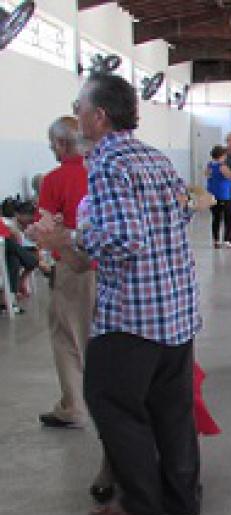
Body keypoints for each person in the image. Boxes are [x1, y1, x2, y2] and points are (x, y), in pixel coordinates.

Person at [30, 73, 207, 515]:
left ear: (99, 115)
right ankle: (182, 496)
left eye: (80, 106)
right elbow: (182, 212)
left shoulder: (108, 162)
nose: (77, 113)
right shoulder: (154, 157)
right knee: (172, 409)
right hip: (175, 308)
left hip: (134, 313)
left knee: (110, 400)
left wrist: (66, 236)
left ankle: (141, 499)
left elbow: (125, 240)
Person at [35, 116, 96, 428]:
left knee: (67, 335)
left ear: (61, 143)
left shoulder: (54, 180)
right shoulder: (100, 172)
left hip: (74, 267)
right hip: (111, 266)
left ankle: (73, 405)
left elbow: (44, 227)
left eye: (52, 145)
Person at [206, 144, 231, 248]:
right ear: (222, 156)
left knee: (216, 218)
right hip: (223, 195)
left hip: (212, 195)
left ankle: (216, 240)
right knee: (228, 218)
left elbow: (207, 175)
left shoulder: (209, 165)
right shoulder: (222, 166)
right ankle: (227, 240)